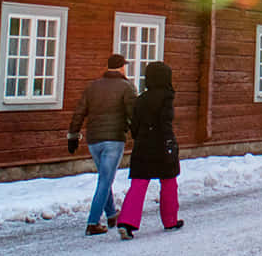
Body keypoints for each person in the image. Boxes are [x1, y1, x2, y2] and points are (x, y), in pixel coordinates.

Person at [68, 52, 137, 236]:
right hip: (113, 139)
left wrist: (73, 135)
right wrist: (138, 135)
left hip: (94, 140)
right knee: (105, 180)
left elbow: (79, 112)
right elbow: (133, 115)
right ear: (122, 67)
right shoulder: (127, 87)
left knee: (104, 178)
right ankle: (93, 222)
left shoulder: (93, 87)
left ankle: (112, 214)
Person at [115, 60, 183, 238]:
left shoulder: (141, 99)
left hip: (143, 145)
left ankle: (126, 222)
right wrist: (169, 144)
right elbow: (165, 122)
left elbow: (134, 125)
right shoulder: (166, 97)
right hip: (161, 144)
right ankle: (170, 220)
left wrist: (141, 137)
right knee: (169, 182)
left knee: (138, 183)